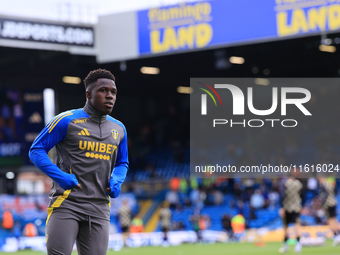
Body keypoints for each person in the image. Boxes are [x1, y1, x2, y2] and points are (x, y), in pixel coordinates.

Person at [29, 69, 129, 255]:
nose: (110, 96)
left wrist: (117, 180)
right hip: (67, 203)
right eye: (103, 91)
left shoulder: (119, 129)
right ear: (88, 94)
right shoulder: (66, 121)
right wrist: (62, 177)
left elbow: (122, 163)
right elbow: (36, 150)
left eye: (113, 92)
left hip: (99, 207)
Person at [279, 176, 303, 253]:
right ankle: (298, 246)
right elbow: (303, 195)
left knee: (286, 228)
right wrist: (301, 205)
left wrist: (282, 207)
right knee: (297, 227)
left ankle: (285, 246)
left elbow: (282, 196)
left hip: (287, 208)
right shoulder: (299, 184)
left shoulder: (285, 183)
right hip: (296, 208)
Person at [319, 178, 340, 246]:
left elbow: (325, 194)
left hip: (328, 204)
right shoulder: (330, 183)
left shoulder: (323, 184)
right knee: (333, 220)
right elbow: (335, 191)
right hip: (333, 202)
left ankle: (337, 236)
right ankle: (336, 236)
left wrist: (322, 203)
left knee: (331, 221)